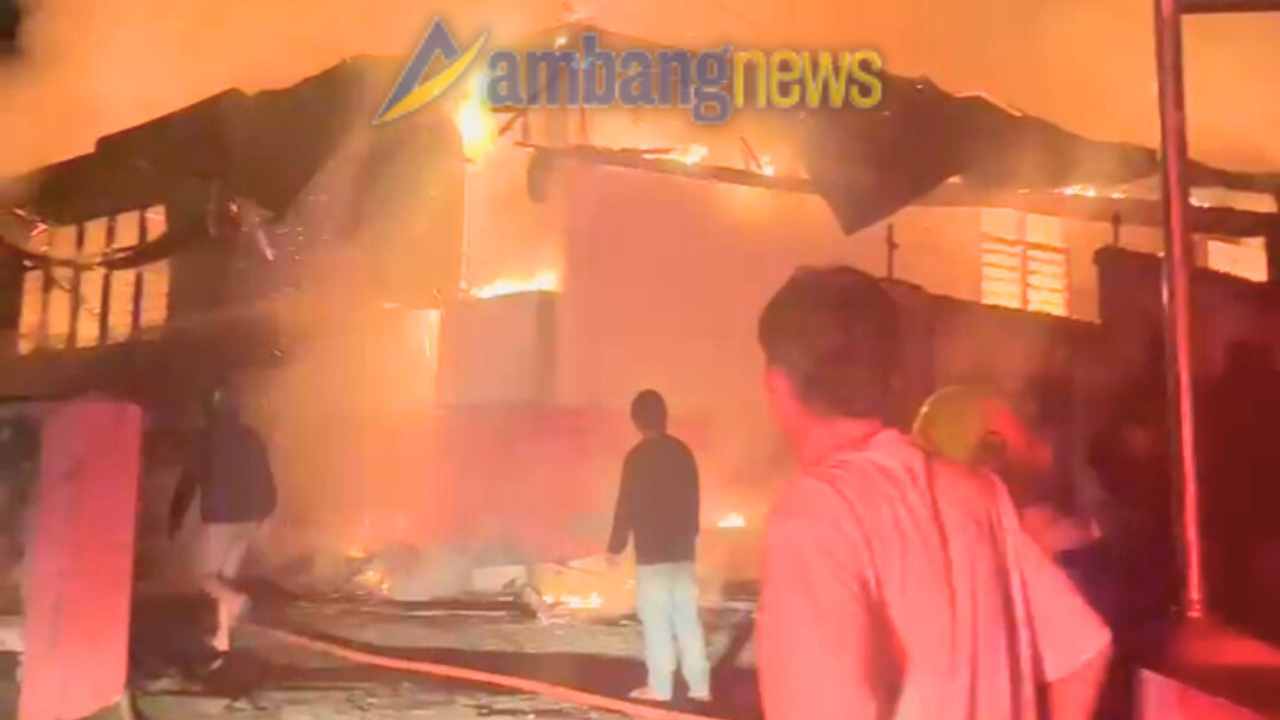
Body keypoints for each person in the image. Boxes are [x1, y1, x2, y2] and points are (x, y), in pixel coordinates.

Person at [755, 267, 1112, 720]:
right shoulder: (978, 495)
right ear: (891, 378)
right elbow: (1083, 655)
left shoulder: (816, 516)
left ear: (778, 386)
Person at [606, 389, 711, 703]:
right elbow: (693, 499)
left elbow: (626, 504)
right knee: (688, 621)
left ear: (637, 421)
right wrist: (690, 535)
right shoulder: (682, 453)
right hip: (682, 554)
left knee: (657, 623)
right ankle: (700, 687)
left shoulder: (637, 458)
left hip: (652, 557)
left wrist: (616, 547)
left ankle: (660, 687)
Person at [169, 387, 278, 654]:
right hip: (249, 520)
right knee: (224, 580)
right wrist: (265, 512)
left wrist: (175, 517)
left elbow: (188, 482)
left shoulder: (205, 438)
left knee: (203, 576)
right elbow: (266, 477)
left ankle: (236, 601)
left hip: (221, 519)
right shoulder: (251, 436)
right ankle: (222, 638)